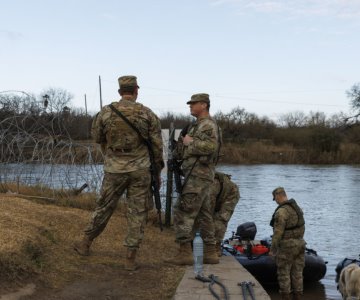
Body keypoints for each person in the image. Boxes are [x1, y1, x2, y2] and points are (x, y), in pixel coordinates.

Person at [73, 75, 164, 271]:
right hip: (140, 169)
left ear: (120, 91)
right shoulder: (147, 114)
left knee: (104, 206)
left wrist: (111, 151)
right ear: (136, 91)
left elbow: (97, 137)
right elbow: (157, 146)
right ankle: (130, 258)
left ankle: (85, 243)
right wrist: (157, 172)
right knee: (137, 212)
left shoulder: (106, 112)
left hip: (114, 167)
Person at [165, 93, 221, 265]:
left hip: (198, 176)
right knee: (204, 215)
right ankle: (210, 253)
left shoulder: (207, 125)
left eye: (193, 103)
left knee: (183, 210)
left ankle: (184, 253)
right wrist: (181, 146)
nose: (190, 106)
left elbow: (210, 148)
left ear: (204, 105)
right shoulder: (197, 125)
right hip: (198, 175)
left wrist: (190, 142)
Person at [269, 187, 306, 300]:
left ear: (278, 195)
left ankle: (286, 297)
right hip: (300, 244)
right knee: (298, 273)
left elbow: (278, 233)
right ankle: (298, 297)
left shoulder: (281, 212)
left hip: (287, 246)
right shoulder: (297, 208)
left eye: (275, 198)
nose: (275, 201)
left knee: (283, 274)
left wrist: (272, 249)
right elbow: (302, 227)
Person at [209, 172, 240, 256]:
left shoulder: (210, 187)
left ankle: (216, 247)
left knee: (220, 219)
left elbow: (208, 212)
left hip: (231, 194)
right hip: (218, 194)